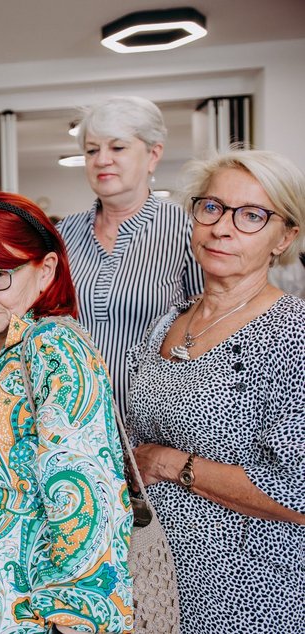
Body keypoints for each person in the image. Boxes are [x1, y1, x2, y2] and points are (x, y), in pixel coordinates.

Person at [0, 190, 133, 633]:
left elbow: (86, 497)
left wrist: (73, 620)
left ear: (46, 271)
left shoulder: (53, 347)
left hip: (19, 607)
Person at [126, 149, 305, 633]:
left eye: (252, 216)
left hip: (249, 592)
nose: (223, 228)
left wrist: (168, 462)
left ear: (284, 236)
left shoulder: (292, 333)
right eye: (212, 207)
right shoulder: (169, 320)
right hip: (157, 578)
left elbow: (299, 492)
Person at [57, 96, 203, 416]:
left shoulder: (188, 230)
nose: (102, 160)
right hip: (74, 423)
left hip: (154, 426)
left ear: (153, 154)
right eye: (92, 150)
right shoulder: (63, 234)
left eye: (117, 148)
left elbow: (207, 328)